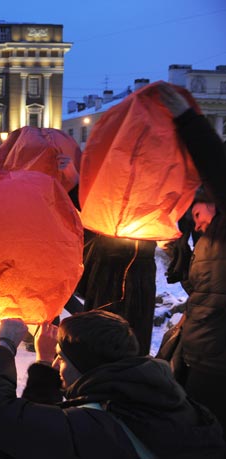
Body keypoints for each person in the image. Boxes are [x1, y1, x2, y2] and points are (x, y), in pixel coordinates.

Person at [0, 309, 225, 459]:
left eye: (60, 359)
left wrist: (3, 345)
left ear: (84, 366)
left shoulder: (98, 426)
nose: (54, 365)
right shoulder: (170, 403)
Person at [158, 82, 226, 445]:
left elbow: (218, 167)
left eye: (193, 211)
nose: (192, 221)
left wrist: (187, 121)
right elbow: (206, 288)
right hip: (204, 350)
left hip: (216, 361)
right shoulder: (211, 235)